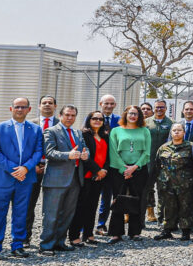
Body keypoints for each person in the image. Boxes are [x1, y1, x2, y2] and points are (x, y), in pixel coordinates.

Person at [0, 97, 43, 262]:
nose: (20, 109)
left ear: (29, 110)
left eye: (23, 107)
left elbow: (38, 151)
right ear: (11, 109)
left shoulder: (36, 129)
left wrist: (25, 168)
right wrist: (14, 169)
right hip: (2, 178)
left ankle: (17, 246)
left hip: (25, 178)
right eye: (17, 107)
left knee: (21, 214)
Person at [38, 105, 87, 256]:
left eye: (73, 115)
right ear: (60, 115)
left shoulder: (77, 132)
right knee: (52, 214)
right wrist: (68, 155)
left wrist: (86, 155)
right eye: (67, 115)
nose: (70, 118)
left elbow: (84, 148)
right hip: (56, 180)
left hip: (74, 179)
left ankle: (60, 242)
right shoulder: (51, 131)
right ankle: (46, 245)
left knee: (67, 214)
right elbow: (49, 152)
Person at [106, 105, 151, 243]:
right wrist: (123, 168)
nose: (133, 116)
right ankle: (116, 233)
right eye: (131, 113)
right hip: (119, 170)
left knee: (136, 199)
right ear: (125, 114)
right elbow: (112, 151)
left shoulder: (144, 131)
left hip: (139, 170)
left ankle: (135, 232)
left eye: (136, 114)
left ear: (139, 116)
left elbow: (147, 152)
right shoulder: (116, 131)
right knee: (118, 199)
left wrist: (134, 167)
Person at [68, 111, 108, 246]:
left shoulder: (105, 136)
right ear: (89, 120)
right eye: (94, 118)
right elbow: (85, 155)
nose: (97, 120)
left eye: (100, 119)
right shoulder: (83, 135)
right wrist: (97, 170)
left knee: (92, 206)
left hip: (99, 177)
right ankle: (74, 235)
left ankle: (88, 234)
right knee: (81, 207)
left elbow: (108, 156)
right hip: (86, 176)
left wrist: (103, 171)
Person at [152, 122, 193, 241]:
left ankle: (185, 231)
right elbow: (157, 164)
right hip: (166, 183)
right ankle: (166, 230)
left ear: (184, 133)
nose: (176, 132)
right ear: (171, 132)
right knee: (167, 207)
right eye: (174, 130)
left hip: (184, 184)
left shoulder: (190, 146)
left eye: (179, 130)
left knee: (185, 207)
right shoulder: (163, 147)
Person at [26, 95, 58, 243]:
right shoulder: (29, 124)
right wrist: (33, 165)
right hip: (33, 169)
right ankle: (25, 236)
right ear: (39, 106)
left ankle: (50, 238)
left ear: (55, 106)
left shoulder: (61, 124)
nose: (47, 105)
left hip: (54, 169)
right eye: (44, 103)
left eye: (50, 103)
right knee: (28, 204)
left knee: (52, 206)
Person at [144, 99, 172, 224]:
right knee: (148, 187)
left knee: (164, 188)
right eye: (157, 107)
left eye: (162, 107)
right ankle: (150, 211)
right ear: (153, 109)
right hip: (149, 160)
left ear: (166, 108)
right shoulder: (146, 123)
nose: (159, 109)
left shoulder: (171, 123)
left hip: (165, 161)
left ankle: (164, 213)